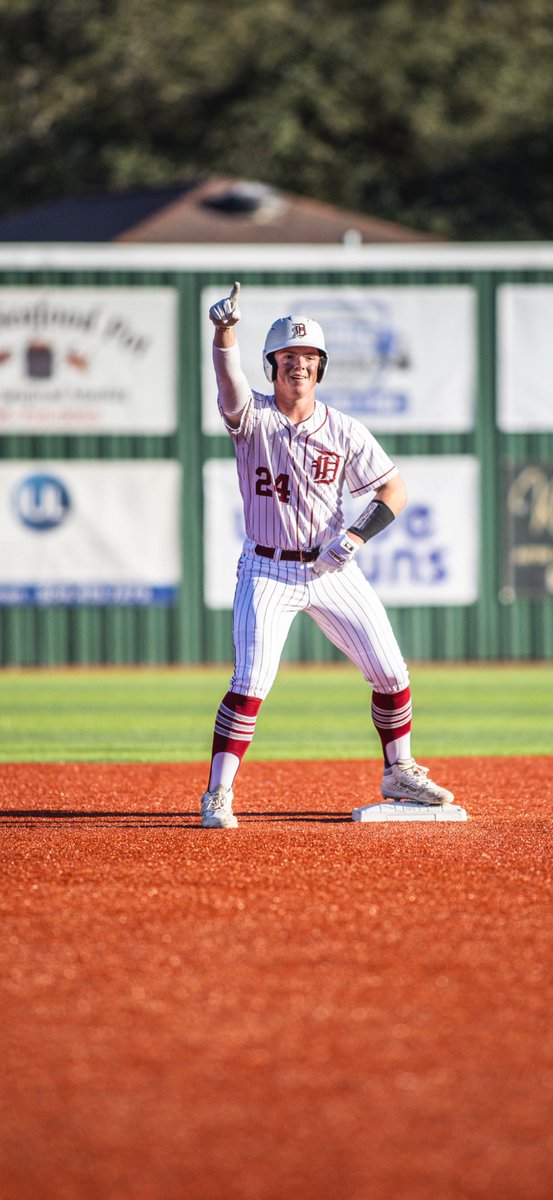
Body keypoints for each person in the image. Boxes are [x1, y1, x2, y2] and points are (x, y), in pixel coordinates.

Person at [201, 282, 454, 829]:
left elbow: (394, 491)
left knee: (391, 672)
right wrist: (225, 334)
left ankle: (400, 771)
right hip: (267, 569)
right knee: (251, 682)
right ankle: (219, 793)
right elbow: (229, 386)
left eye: (310, 358)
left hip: (331, 568)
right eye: (289, 357)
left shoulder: (343, 429)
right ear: (272, 365)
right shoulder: (254, 420)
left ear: (321, 367)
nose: (300, 366)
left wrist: (357, 537)